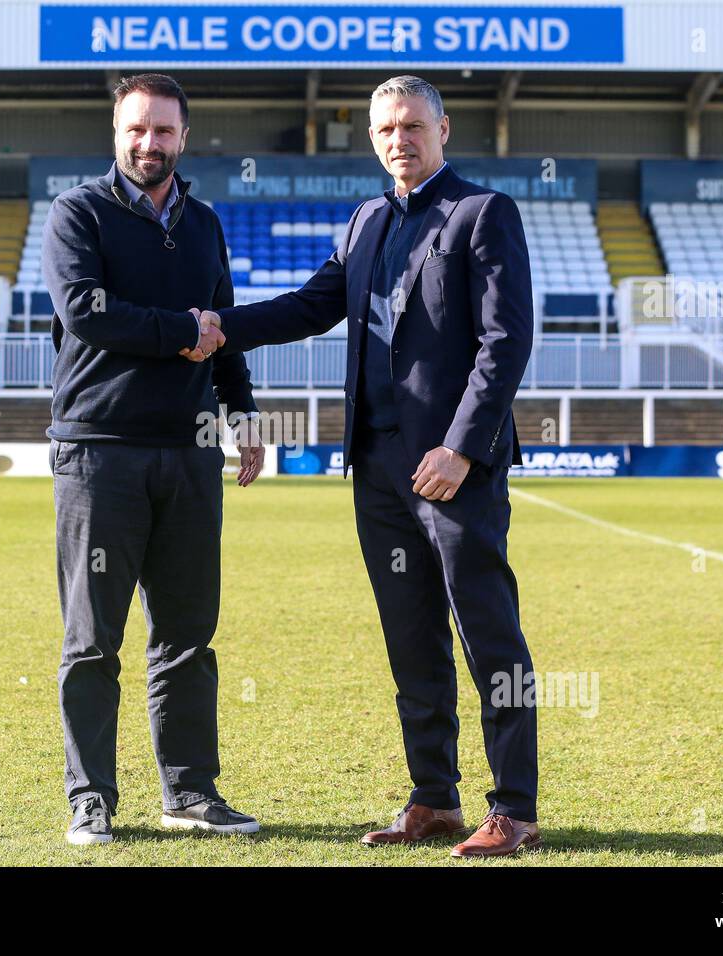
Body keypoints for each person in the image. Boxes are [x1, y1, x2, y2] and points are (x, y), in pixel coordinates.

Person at [195, 75, 540, 858]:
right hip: (378, 470)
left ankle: (513, 808)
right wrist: (220, 327)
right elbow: (311, 305)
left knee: (489, 636)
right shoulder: (365, 221)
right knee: (410, 638)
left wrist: (461, 446)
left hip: (454, 468)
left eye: (413, 125)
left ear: (443, 128)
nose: (399, 139)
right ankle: (435, 799)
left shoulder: (483, 214)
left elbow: (505, 343)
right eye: (386, 128)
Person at [41, 72, 264, 845]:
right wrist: (185, 328)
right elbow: (88, 313)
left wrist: (243, 414)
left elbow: (225, 322)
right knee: (93, 639)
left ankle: (191, 793)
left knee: (188, 636)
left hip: (192, 454)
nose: (149, 143)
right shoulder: (77, 213)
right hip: (100, 454)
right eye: (136, 129)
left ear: (183, 137)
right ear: (116, 133)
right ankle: (91, 798)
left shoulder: (203, 223)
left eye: (163, 131)